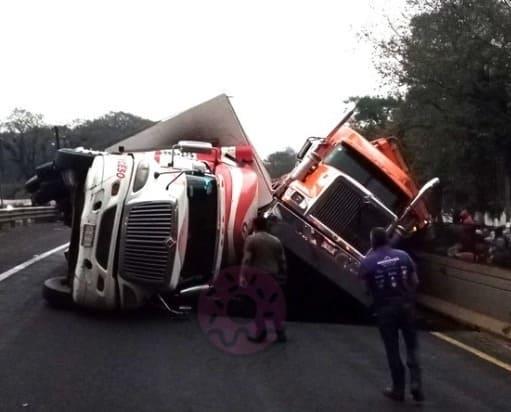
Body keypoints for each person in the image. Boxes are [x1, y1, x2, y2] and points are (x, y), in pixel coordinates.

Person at [359, 227, 424, 402]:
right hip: (407, 307)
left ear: (372, 242)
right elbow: (415, 281)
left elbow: (365, 290)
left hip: (385, 310)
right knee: (411, 346)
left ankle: (398, 389)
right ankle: (416, 383)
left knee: (392, 349)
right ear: (388, 240)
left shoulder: (367, 262)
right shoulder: (404, 256)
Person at [240, 216, 287, 343]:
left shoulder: (252, 240)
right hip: (273, 276)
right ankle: (279, 332)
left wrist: (243, 275)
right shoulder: (275, 241)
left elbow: (247, 259)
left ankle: (261, 333)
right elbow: (282, 261)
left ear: (255, 226)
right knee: (274, 304)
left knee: (259, 304)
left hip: (258, 277)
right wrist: (283, 274)